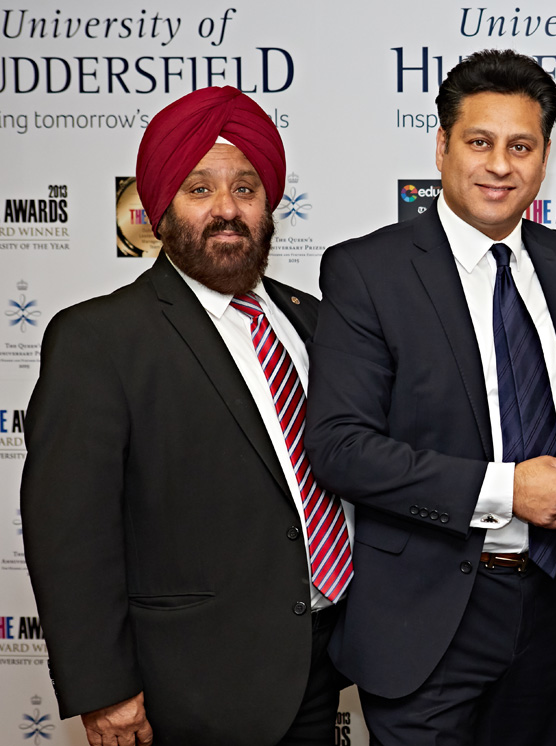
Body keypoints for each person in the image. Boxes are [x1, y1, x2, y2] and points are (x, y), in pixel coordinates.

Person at [21, 86, 351, 745]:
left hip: (322, 666)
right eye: (200, 189)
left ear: (269, 204)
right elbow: (68, 533)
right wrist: (105, 689)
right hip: (191, 687)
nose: (226, 210)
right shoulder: (100, 338)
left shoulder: (314, 320)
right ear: (160, 206)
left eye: (246, 188)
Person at [305, 49, 556, 746]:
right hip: (425, 619)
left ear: (543, 157)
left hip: (553, 604)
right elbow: (341, 447)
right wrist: (506, 489)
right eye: (479, 142)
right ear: (442, 146)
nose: (499, 165)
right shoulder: (368, 271)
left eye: (521, 146)